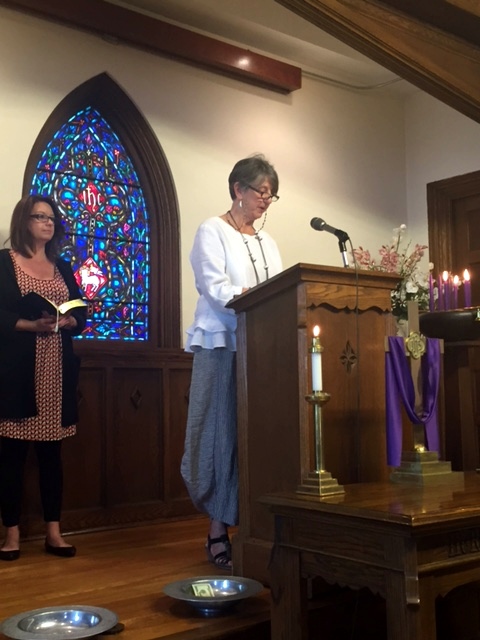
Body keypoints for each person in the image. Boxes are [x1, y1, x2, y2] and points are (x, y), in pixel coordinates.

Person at [181, 154, 283, 569]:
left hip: (260, 349)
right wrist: (248, 302)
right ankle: (217, 529)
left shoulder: (267, 242)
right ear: (238, 189)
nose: (266, 199)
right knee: (220, 434)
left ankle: (258, 527)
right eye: (261, 191)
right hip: (221, 342)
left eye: (271, 194)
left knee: (255, 438)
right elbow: (214, 286)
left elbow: (280, 290)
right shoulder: (212, 230)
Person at [0, 194, 87, 561]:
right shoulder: (4, 262)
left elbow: (81, 310)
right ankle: (11, 535)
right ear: (24, 221)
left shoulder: (62, 266)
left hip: (57, 370)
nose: (48, 223)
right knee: (12, 458)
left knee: (52, 457)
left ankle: (54, 532)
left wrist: (70, 320)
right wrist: (29, 324)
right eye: (40, 217)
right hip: (19, 372)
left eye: (51, 218)